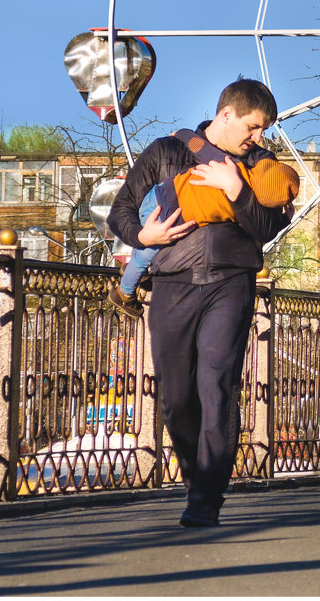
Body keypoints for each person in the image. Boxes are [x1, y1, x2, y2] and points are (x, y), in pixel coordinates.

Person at [107, 77, 292, 527]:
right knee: (176, 397)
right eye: (252, 127)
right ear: (226, 114)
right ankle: (195, 479)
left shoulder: (260, 165)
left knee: (217, 385)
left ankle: (206, 497)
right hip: (172, 282)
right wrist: (142, 236)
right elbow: (121, 211)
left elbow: (267, 227)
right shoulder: (166, 151)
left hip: (232, 280)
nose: (258, 138)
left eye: (263, 130)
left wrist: (237, 190)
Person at [107, 133, 299, 318]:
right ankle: (123, 294)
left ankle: (133, 269)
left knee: (146, 253)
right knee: (145, 254)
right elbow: (260, 225)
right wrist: (283, 219)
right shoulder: (238, 201)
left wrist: (182, 134)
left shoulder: (234, 167)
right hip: (166, 212)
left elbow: (200, 148)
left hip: (161, 192)